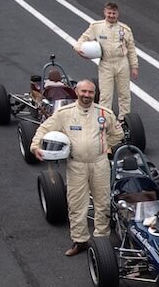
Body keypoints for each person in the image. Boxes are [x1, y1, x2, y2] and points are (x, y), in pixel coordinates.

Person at [30, 79, 124, 257]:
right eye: (84, 92)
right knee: (76, 204)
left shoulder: (105, 113)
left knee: (102, 204)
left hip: (100, 164)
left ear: (94, 94)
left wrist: (104, 147)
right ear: (76, 92)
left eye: (90, 92)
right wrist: (35, 146)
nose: (87, 95)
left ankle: (101, 242)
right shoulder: (64, 114)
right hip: (76, 165)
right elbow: (44, 129)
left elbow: (118, 134)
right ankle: (80, 241)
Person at [74, 2, 138, 117]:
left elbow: (131, 49)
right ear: (105, 12)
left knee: (124, 94)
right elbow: (84, 38)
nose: (111, 15)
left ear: (117, 14)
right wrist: (78, 49)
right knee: (105, 95)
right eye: (109, 13)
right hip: (106, 63)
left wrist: (134, 67)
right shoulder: (96, 26)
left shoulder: (125, 30)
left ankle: (124, 119)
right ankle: (105, 119)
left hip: (122, 62)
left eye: (114, 13)